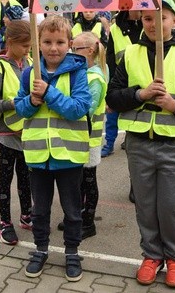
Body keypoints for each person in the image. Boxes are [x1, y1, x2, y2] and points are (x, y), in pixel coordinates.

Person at [106, 0, 175, 288]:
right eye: (148, 18)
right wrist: (139, 94)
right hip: (139, 144)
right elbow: (112, 97)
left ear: (174, 20)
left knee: (171, 205)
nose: (153, 23)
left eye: (161, 17)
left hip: (173, 145)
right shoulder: (130, 54)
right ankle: (152, 255)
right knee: (145, 204)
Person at [14, 15, 91, 282]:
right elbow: (20, 108)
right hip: (37, 155)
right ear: (38, 44)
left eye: (59, 42)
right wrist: (33, 101)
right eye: (47, 42)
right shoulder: (29, 73)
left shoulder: (78, 72)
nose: (53, 48)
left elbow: (79, 108)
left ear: (69, 43)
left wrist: (48, 93)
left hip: (68, 155)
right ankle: (41, 249)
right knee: (40, 210)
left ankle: (72, 252)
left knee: (72, 209)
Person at [0, 19, 34, 245]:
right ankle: (5, 222)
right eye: (24, 46)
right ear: (11, 42)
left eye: (30, 45)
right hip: (7, 135)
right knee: (5, 179)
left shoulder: (31, 63)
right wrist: (13, 103)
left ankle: (27, 214)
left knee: (26, 178)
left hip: (28, 134)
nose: (28, 50)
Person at [69, 31, 107, 239]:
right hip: (80, 137)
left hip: (90, 139)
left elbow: (86, 110)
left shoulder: (94, 77)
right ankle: (77, 217)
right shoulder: (85, 72)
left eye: (76, 50)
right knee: (79, 181)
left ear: (90, 50)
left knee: (88, 180)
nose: (72, 53)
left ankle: (88, 221)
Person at [102, 10, 142, 157]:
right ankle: (109, 143)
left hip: (140, 79)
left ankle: (129, 140)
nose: (140, 11)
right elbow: (110, 58)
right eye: (137, 8)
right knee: (112, 115)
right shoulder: (115, 29)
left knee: (135, 115)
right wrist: (110, 86)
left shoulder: (147, 25)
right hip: (119, 79)